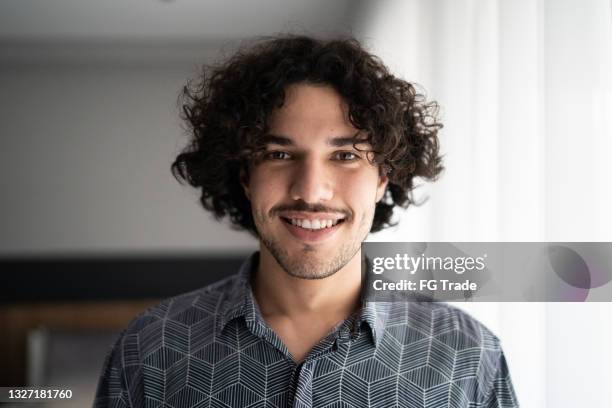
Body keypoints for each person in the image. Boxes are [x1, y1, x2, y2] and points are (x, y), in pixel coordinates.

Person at [94, 35, 518, 407]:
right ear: (245, 176)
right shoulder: (153, 348)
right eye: (279, 155)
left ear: (382, 178)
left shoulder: (466, 354)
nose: (312, 191)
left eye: (346, 156)